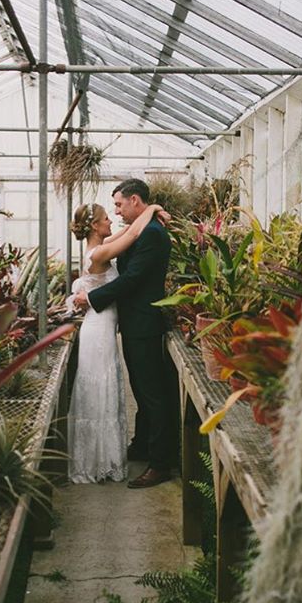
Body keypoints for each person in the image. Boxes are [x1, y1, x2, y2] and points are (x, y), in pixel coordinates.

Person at [72, 178, 174, 489]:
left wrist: (91, 299)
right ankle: (143, 446)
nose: (115, 211)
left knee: (152, 395)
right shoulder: (142, 230)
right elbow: (128, 235)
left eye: (119, 204)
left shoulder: (152, 235)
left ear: (134, 201)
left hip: (142, 323)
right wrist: (154, 207)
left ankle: (160, 464)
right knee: (142, 391)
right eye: (111, 208)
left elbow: (130, 280)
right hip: (129, 323)